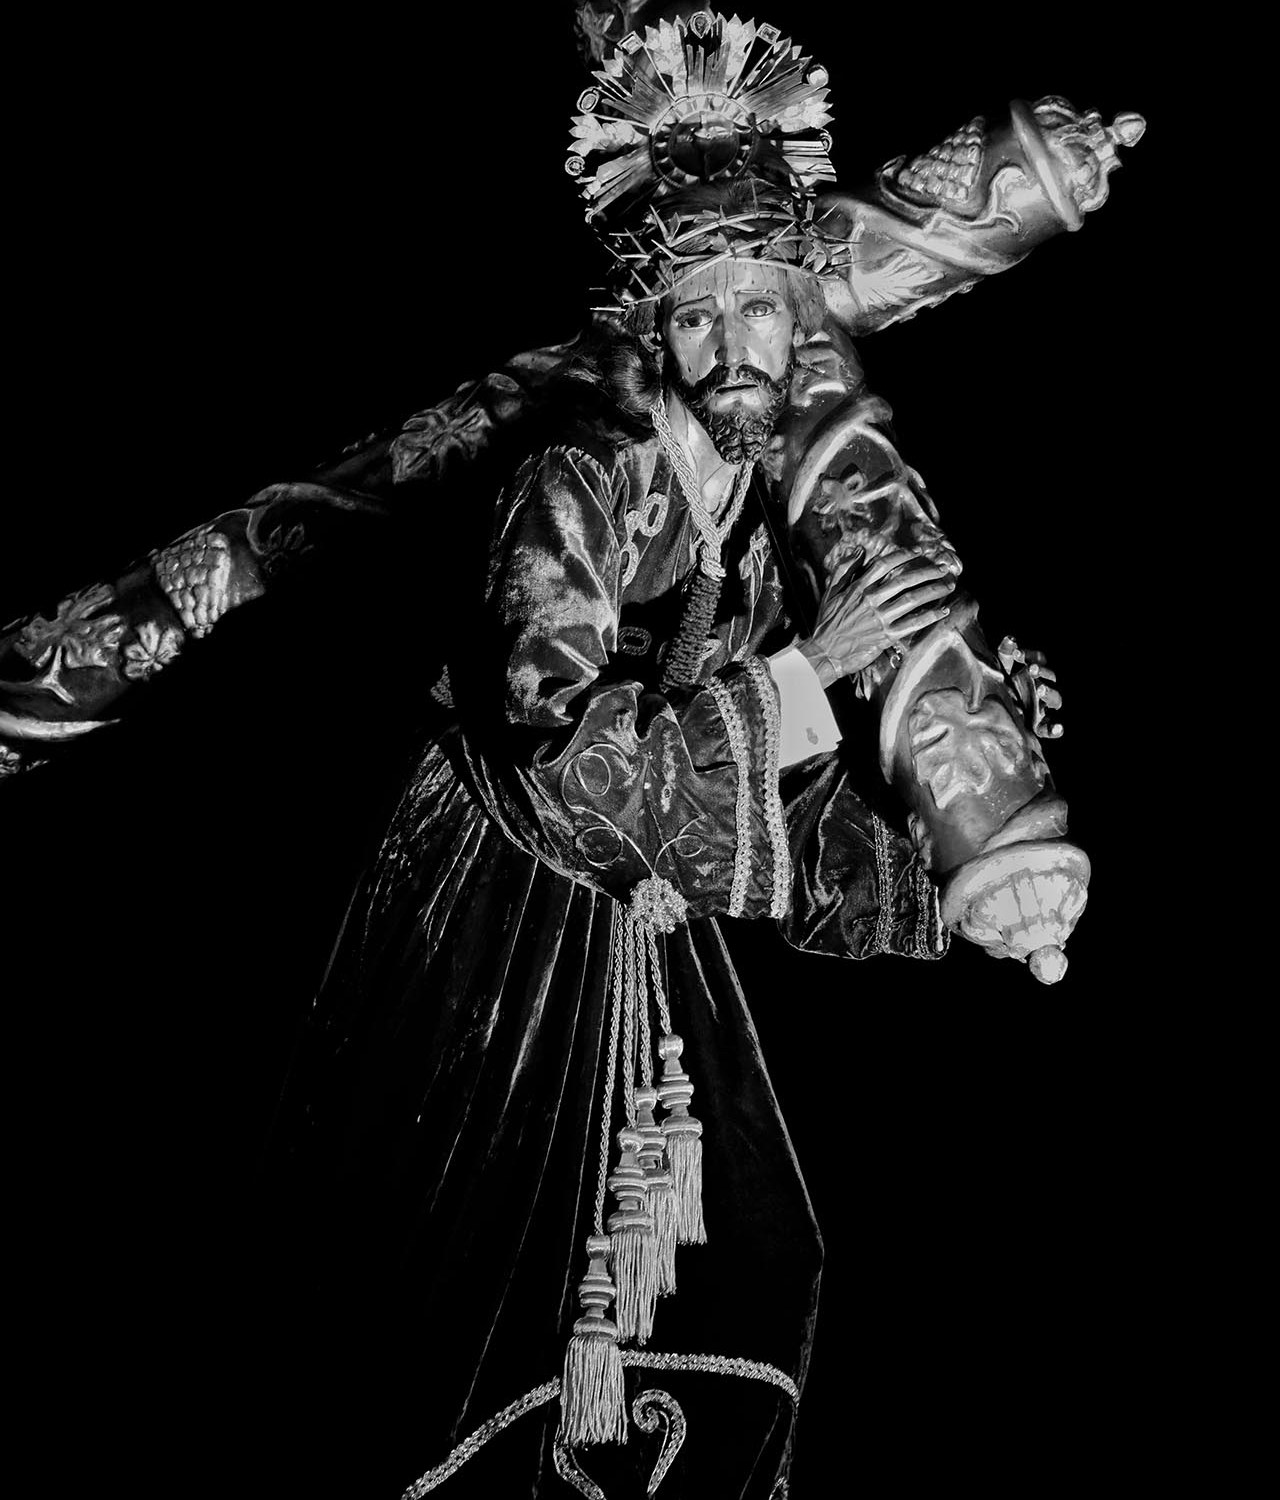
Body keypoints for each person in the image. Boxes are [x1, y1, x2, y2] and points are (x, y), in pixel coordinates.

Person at [0, 11, 1143, 1496]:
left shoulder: (754, 514)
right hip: (483, 930)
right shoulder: (579, 479)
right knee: (464, 1314)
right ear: (649, 328)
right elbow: (558, 765)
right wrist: (808, 677)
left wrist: (944, 848)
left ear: (806, 315)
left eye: (763, 309)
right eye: (697, 315)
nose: (736, 350)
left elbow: (779, 813)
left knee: (745, 1276)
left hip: (643, 943)